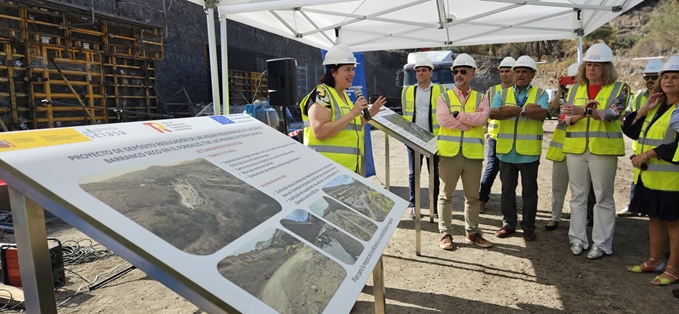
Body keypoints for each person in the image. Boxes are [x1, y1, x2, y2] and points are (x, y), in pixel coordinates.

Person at [559, 43, 630, 259]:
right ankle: (578, 239)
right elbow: (564, 120)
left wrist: (583, 111)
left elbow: (612, 114)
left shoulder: (621, 88)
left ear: (606, 67)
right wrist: (584, 113)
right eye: (588, 64)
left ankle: (602, 244)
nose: (591, 69)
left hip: (603, 150)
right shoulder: (572, 89)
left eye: (596, 65)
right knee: (577, 196)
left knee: (603, 197)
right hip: (575, 150)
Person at [622, 56, 679, 285]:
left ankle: (673, 269)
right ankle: (655, 260)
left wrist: (649, 154)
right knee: (654, 217)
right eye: (665, 77)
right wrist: (643, 109)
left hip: (672, 179)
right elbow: (632, 131)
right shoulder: (658, 105)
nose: (669, 81)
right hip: (652, 177)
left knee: (674, 223)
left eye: (675, 77)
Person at [300, 44, 386, 174]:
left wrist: (370, 114)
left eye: (353, 69)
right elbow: (320, 132)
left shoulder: (343, 95)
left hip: (347, 171)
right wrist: (353, 113)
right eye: (347, 69)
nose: (352, 73)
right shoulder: (321, 94)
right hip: (327, 172)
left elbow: (351, 126)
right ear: (333, 72)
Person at [489, 55, 548, 242]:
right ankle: (508, 224)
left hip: (529, 153)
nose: (520, 75)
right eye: (518, 72)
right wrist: (525, 111)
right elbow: (494, 113)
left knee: (529, 192)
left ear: (532, 75)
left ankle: (528, 227)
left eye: (525, 72)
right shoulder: (502, 93)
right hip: (506, 151)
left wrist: (516, 110)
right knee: (507, 190)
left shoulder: (541, 94)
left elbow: (542, 113)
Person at [436, 53, 492, 250]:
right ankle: (445, 233)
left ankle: (473, 233)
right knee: (445, 196)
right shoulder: (444, 97)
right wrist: (469, 122)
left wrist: (460, 116)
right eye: (455, 71)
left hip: (472, 155)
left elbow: (482, 119)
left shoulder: (480, 97)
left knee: (473, 197)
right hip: (449, 154)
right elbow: (444, 120)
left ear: (472, 73)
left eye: (462, 71)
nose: (458, 74)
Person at [401, 56, 447, 219]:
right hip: (413, 139)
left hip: (433, 140)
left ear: (431, 73)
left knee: (434, 174)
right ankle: (415, 206)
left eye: (423, 70)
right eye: (418, 70)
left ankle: (433, 207)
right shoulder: (407, 91)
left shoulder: (441, 91)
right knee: (414, 174)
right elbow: (405, 115)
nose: (420, 73)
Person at [617, 59, 664, 217]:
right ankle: (634, 205)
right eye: (646, 77)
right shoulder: (638, 98)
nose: (649, 80)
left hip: (661, 152)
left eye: (653, 77)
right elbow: (631, 123)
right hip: (640, 147)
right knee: (638, 179)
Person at [479, 56, 515, 213]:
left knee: (510, 172)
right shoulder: (492, 90)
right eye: (502, 71)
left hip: (515, 136)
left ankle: (508, 203)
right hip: (495, 136)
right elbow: (485, 112)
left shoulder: (522, 91)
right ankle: (482, 198)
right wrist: (486, 130)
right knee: (492, 167)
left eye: (507, 71)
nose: (504, 74)